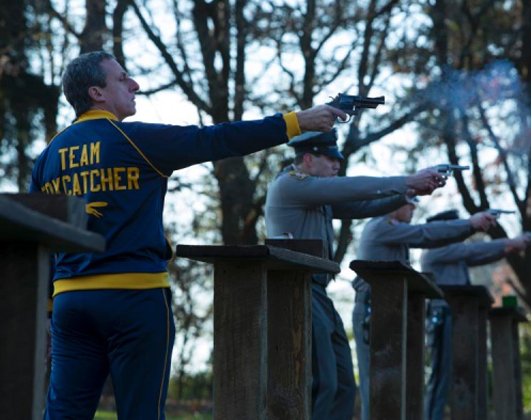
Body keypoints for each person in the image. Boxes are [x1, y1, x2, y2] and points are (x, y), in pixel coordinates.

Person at [29, 50, 346, 420]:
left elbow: (44, 240)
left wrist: (48, 313)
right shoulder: (134, 141)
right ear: (97, 93)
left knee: (63, 414)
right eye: (122, 78)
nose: (135, 85)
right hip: (135, 298)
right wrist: (294, 122)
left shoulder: (47, 157)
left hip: (70, 304)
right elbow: (216, 139)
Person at [264, 129, 447, 420]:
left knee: (343, 385)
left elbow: (363, 205)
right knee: (322, 383)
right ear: (308, 159)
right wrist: (407, 180)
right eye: (330, 159)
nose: (337, 165)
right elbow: (353, 189)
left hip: (317, 291)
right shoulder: (291, 184)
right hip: (297, 287)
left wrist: (407, 192)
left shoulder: (315, 192)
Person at [351, 204, 497, 420]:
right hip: (375, 308)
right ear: (392, 204)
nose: (413, 207)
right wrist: (469, 225)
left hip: (393, 309)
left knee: (396, 384)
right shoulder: (382, 227)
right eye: (408, 201)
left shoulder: (394, 230)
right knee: (375, 385)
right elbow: (427, 234)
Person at [419, 210, 531, 420]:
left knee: (459, 374)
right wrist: (508, 242)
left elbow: (479, 255)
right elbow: (470, 252)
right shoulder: (434, 250)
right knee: (440, 376)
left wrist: (507, 248)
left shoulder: (451, 252)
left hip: (459, 315)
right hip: (442, 315)